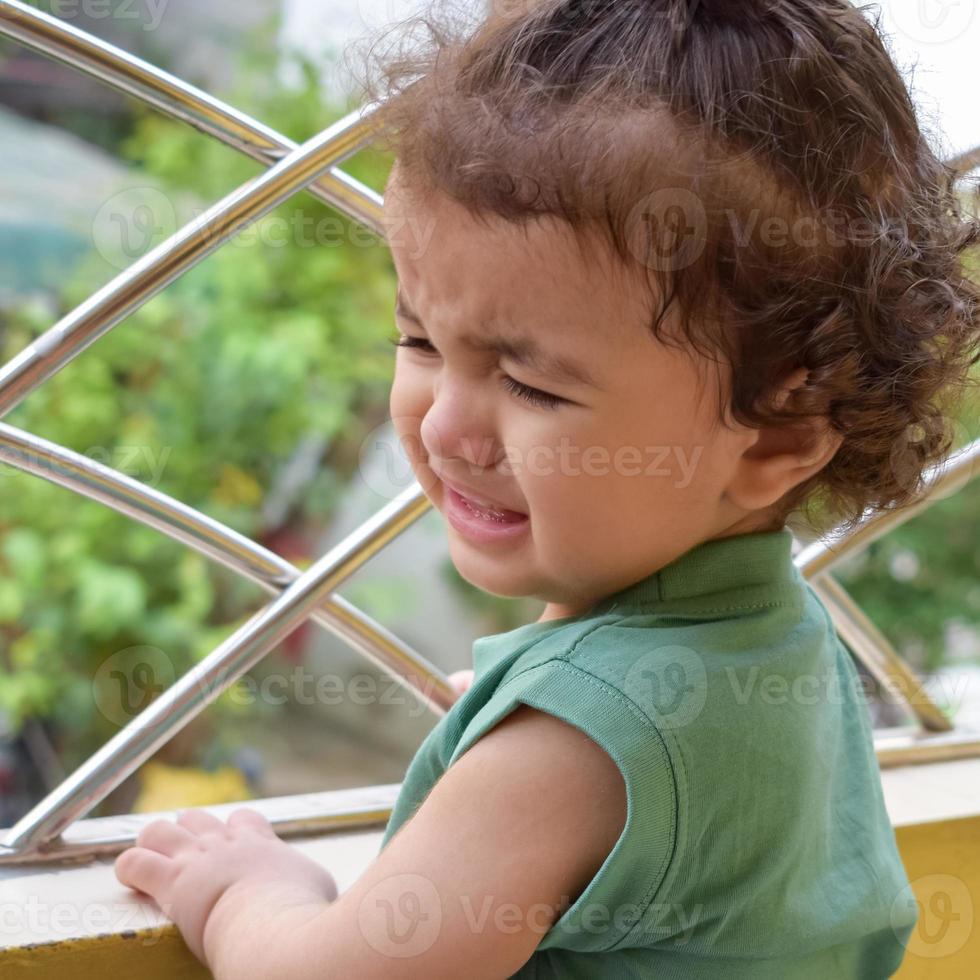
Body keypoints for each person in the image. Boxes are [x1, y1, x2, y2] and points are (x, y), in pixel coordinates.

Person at [114, 1, 980, 977]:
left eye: (529, 382)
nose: (442, 425)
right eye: (419, 340)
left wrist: (243, 887)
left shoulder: (572, 748)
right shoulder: (781, 640)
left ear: (774, 435)